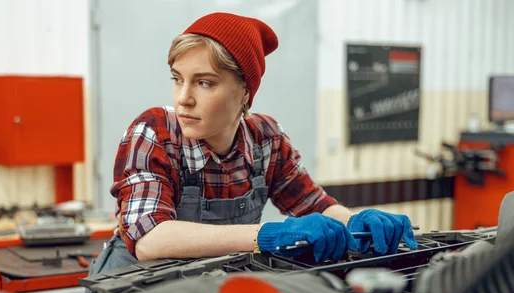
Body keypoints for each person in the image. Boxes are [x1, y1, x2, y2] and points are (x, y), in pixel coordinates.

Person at [89, 12, 418, 275]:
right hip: (126, 292)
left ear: (245, 92)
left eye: (204, 82)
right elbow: (149, 239)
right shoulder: (155, 131)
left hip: (202, 287)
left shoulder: (266, 139)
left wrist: (354, 221)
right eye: (177, 78)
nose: (183, 98)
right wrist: (267, 235)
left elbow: (313, 205)